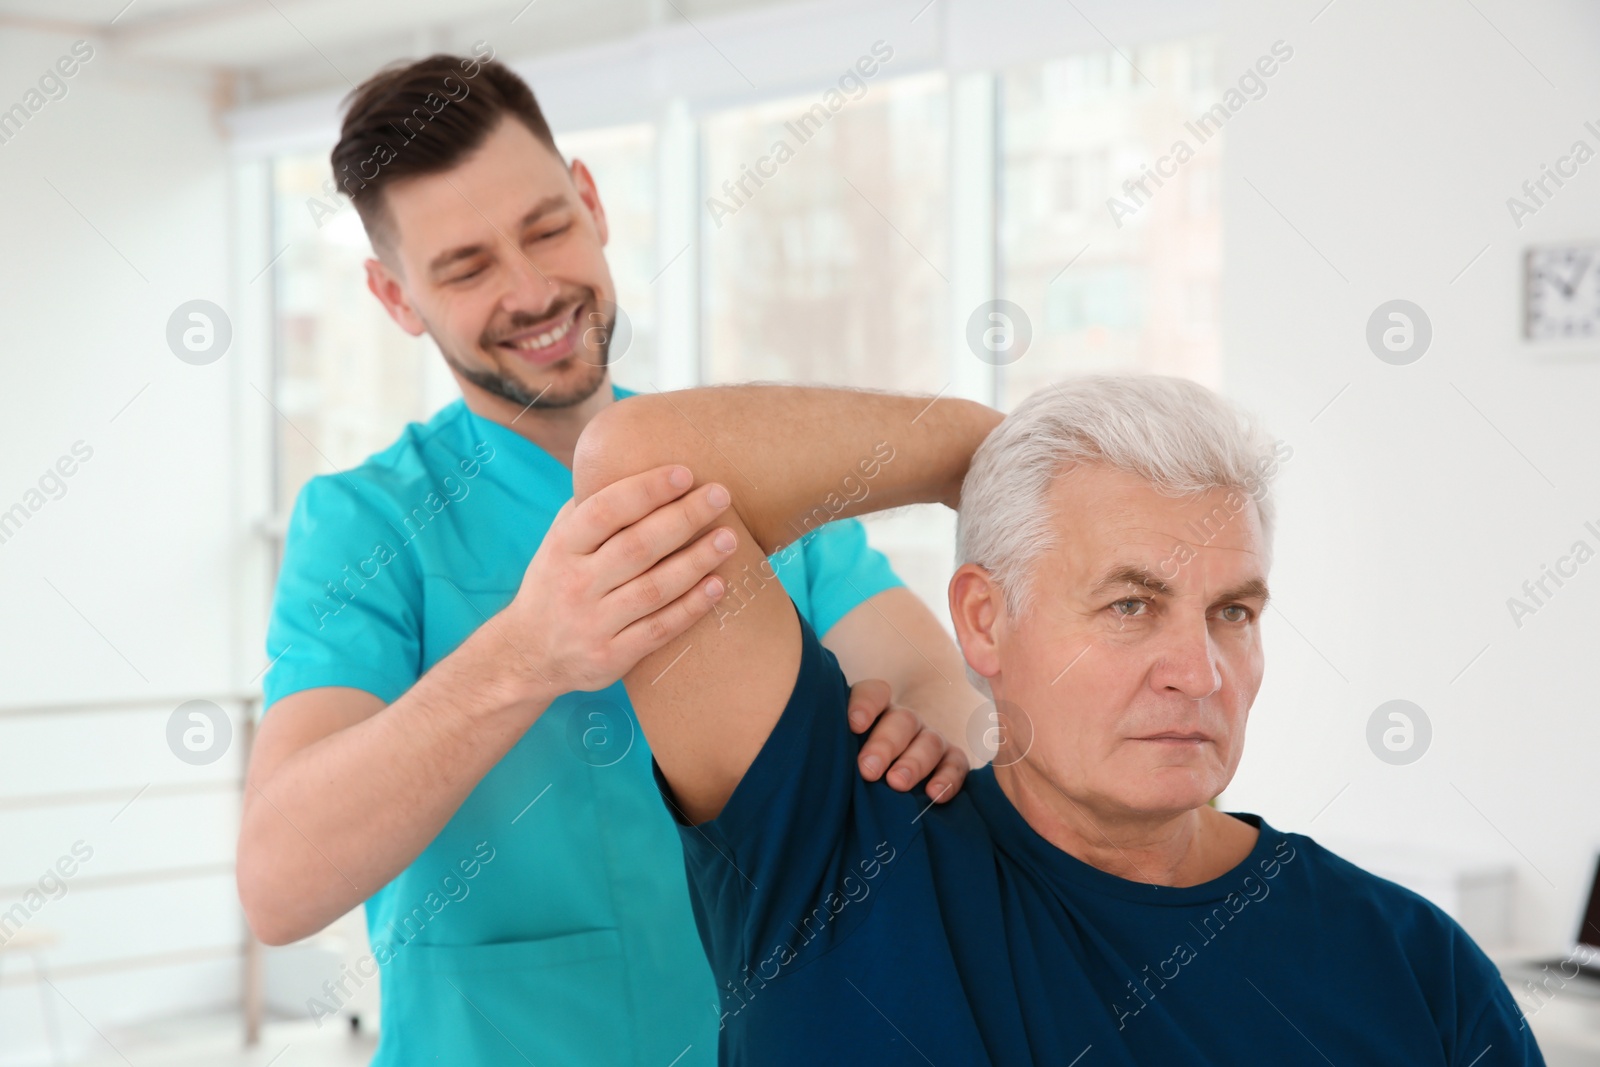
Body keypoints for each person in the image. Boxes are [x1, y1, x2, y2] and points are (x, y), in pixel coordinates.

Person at [235, 53, 979, 1067]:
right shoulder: (368, 524)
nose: (534, 289)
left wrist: (933, 728)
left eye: (546, 227)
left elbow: (931, 673)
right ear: (395, 296)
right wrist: (528, 654)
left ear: (589, 200)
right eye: (466, 266)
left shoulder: (739, 467)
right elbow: (280, 882)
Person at [571, 378, 1546, 1066]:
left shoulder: (1413, 967)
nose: (1197, 671)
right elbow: (636, 463)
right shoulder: (829, 851)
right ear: (985, 620)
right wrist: (987, 444)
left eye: (1232, 612)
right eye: (1131, 603)